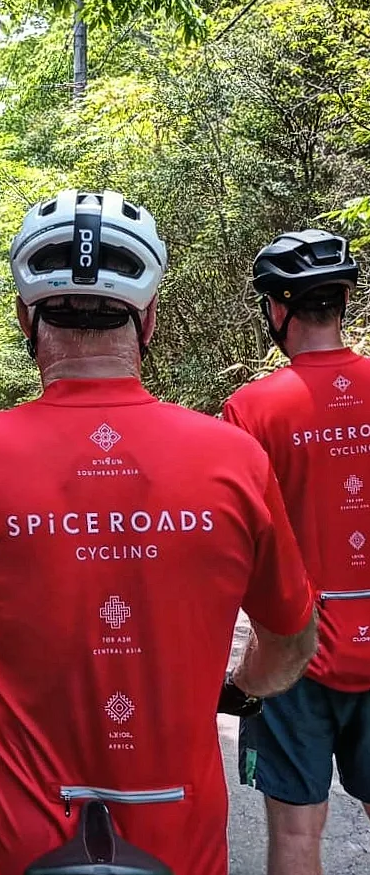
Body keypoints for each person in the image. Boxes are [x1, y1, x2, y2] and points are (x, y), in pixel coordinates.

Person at [0, 189, 319, 875]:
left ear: (24, 316)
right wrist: (243, 688)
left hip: (8, 837)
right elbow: (290, 638)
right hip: (179, 836)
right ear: (149, 319)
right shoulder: (232, 458)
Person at [223, 229, 370, 875]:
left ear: (277, 309)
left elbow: (236, 548)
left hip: (293, 650)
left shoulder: (249, 408)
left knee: (295, 832)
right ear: (341, 302)